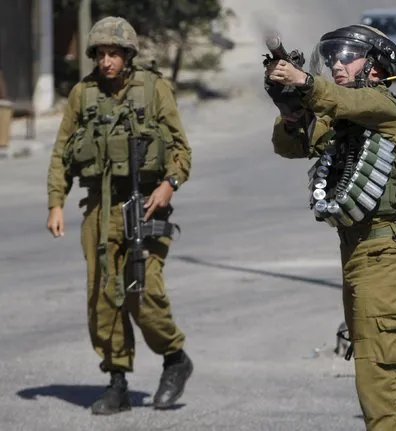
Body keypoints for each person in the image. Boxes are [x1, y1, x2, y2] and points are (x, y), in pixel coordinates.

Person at [265, 24, 396, 431]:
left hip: (390, 252)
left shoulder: (383, 107)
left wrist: (305, 82)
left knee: (376, 374)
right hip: (363, 252)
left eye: (347, 57)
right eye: (332, 58)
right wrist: (289, 110)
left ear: (375, 68)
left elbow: (341, 99)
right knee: (386, 370)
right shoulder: (344, 118)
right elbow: (291, 146)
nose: (336, 65)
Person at [45, 16, 193, 415]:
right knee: (102, 296)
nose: (107, 61)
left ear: (128, 55)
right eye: (101, 54)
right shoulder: (83, 94)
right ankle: (117, 381)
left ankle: (174, 358)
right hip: (98, 206)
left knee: (143, 291)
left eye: (114, 53)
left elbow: (181, 150)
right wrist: (56, 202)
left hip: (145, 201)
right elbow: (61, 153)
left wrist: (169, 185)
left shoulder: (153, 88)